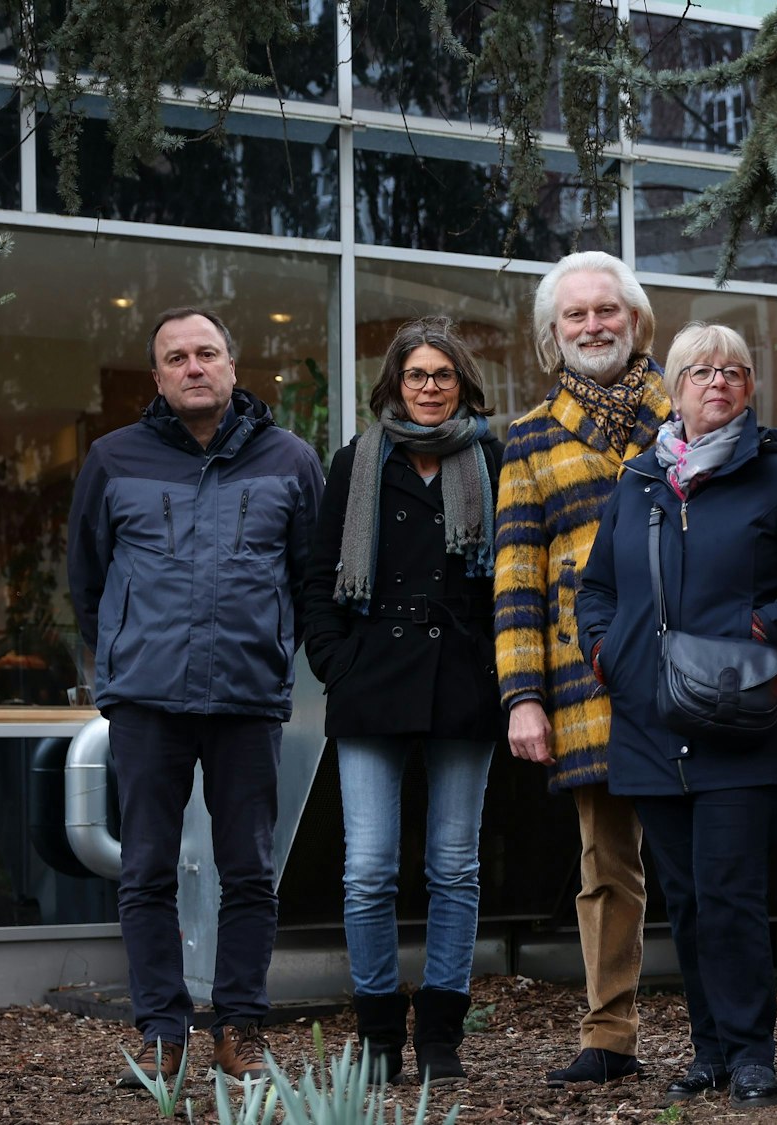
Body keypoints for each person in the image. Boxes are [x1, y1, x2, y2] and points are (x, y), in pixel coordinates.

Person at [576, 322, 777, 1109]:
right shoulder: (638, 483)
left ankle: (751, 1052)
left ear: (749, 388)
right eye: (702, 371)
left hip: (746, 725)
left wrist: (762, 627)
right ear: (675, 388)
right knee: (688, 899)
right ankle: (709, 1052)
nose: (719, 382)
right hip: (652, 725)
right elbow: (597, 588)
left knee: (731, 892)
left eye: (734, 371)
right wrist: (605, 652)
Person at [65, 307, 324, 1086]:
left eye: (206, 352)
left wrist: (270, 646)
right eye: (176, 357)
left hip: (247, 697)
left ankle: (238, 1026)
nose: (193, 366)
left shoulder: (290, 459)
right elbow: (88, 578)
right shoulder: (113, 459)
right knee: (146, 869)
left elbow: (310, 580)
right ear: (157, 376)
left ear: (232, 366)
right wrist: (127, 651)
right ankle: (162, 1032)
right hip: (148, 700)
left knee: (248, 870)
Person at [300, 318, 505, 1087]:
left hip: (463, 678)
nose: (428, 387)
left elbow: (513, 573)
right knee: (368, 869)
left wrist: (497, 666)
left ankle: (442, 1036)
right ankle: (380, 1032)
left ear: (462, 383)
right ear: (395, 382)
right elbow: (320, 575)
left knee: (454, 866)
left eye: (442, 375)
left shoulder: (490, 459)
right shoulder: (357, 461)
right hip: (372, 679)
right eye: (416, 374)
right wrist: (337, 663)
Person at [493, 251, 672, 1087]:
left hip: (690, 670)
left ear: (636, 320)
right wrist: (522, 696)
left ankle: (726, 1032)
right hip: (585, 679)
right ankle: (610, 1034)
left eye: (608, 310)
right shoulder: (530, 436)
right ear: (552, 333)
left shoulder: (687, 414)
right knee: (606, 867)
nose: (594, 325)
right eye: (577, 314)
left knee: (708, 860)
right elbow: (515, 578)